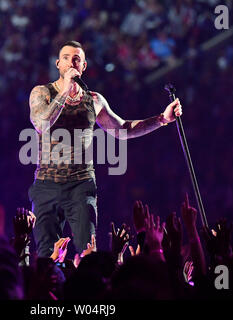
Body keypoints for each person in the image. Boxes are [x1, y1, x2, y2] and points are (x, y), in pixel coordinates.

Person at [28, 40, 182, 258]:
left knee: (88, 251)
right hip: (47, 182)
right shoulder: (42, 92)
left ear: (83, 67)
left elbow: (122, 129)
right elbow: (41, 123)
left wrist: (161, 119)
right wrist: (65, 91)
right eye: (66, 58)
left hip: (80, 183)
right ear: (58, 64)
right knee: (46, 254)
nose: (71, 62)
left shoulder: (94, 100)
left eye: (77, 59)